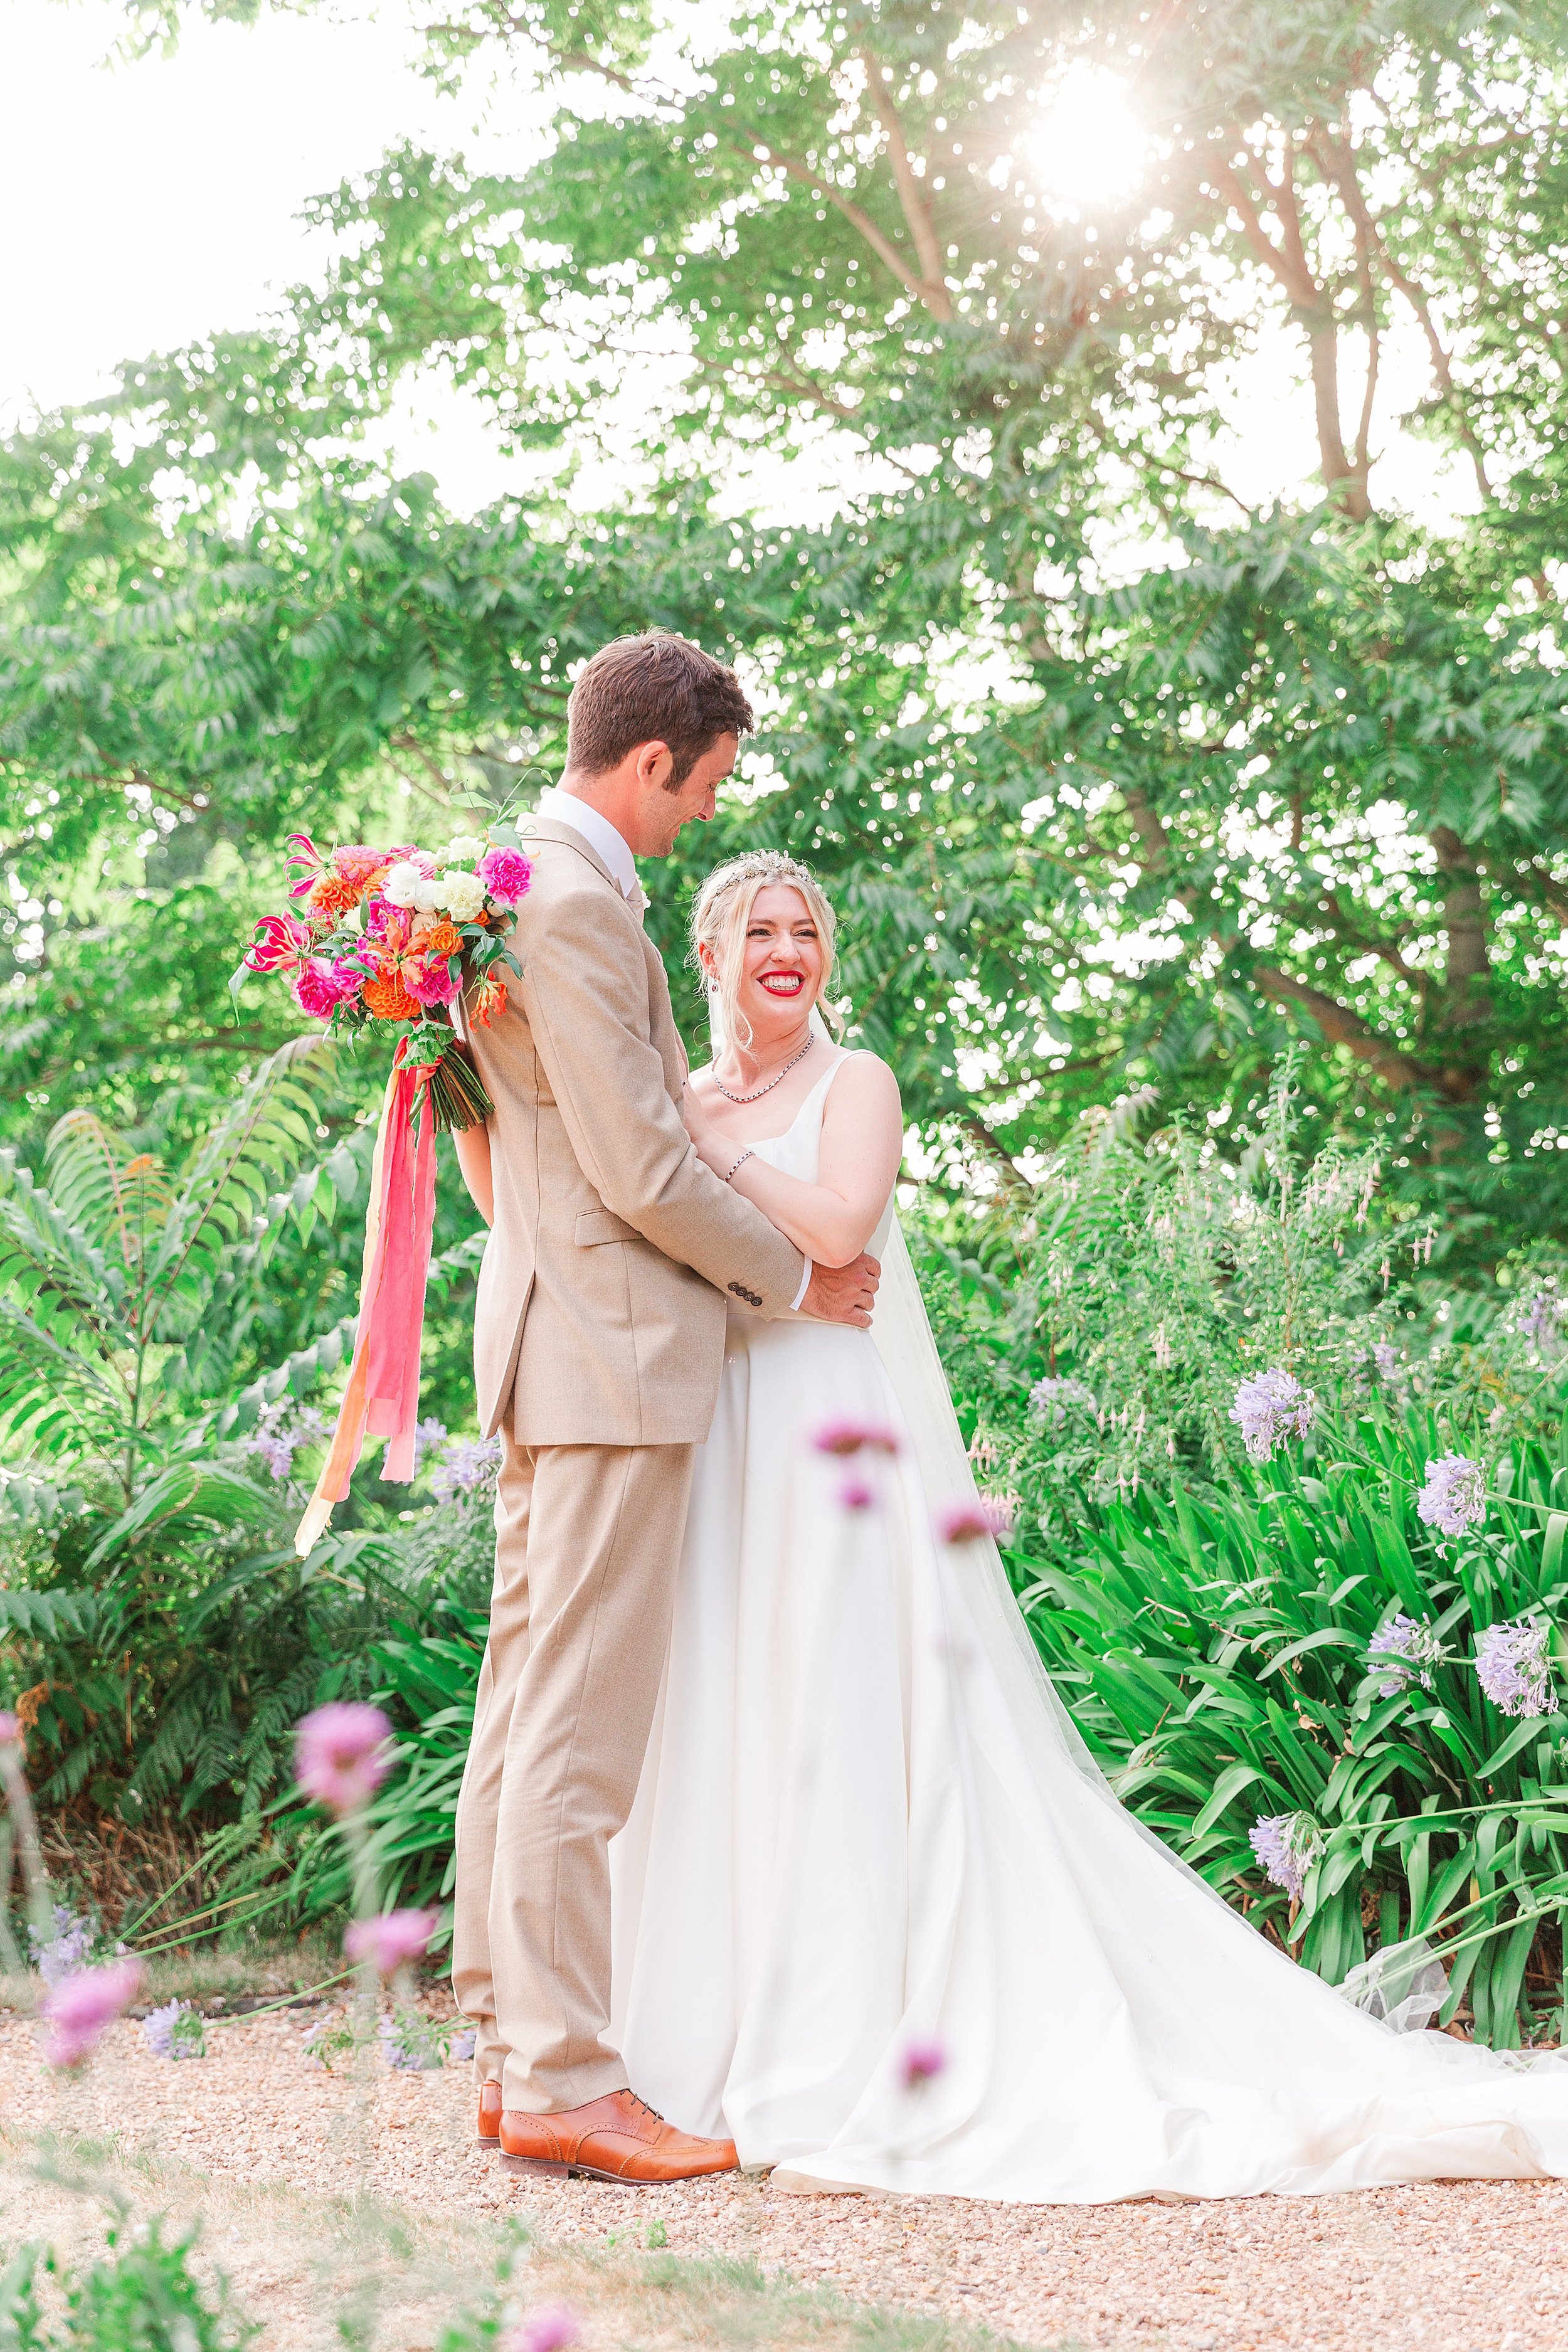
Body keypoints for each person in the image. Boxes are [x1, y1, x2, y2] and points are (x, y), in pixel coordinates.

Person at [596, 845, 1568, 2201]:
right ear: (705, 957)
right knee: (735, 1713)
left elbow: (839, 1228)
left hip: (829, 1429)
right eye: (757, 930)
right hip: (727, 1430)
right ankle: (713, 2033)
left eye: (803, 930)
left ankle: (858, 2029)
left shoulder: (850, 1083)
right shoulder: (686, 1098)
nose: (784, 951)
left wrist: (707, 1151)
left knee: (840, 1705)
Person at [448, 635, 879, 2186]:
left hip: (553, 1344)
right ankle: (564, 2073)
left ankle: (512, 2047)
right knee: (578, 1723)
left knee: (521, 1707)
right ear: (649, 764)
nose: (701, 814)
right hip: (611, 1354)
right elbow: (638, 1166)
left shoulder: (512, 893)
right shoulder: (571, 908)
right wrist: (790, 1278)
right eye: (703, 787)